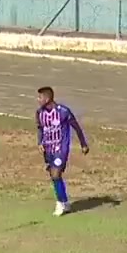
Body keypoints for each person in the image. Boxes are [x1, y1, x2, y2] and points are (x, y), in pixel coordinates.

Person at [35, 87, 89, 217]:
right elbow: (40, 129)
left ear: (47, 99)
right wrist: (40, 142)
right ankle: (65, 201)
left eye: (40, 97)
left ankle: (60, 203)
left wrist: (83, 144)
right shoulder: (39, 113)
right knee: (54, 176)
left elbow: (76, 127)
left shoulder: (63, 111)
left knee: (55, 174)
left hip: (61, 148)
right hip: (48, 149)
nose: (38, 100)